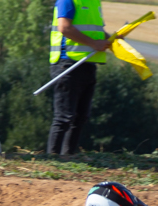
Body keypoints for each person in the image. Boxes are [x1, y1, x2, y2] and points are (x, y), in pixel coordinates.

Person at [47, 0, 111, 155]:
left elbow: (95, 32)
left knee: (80, 117)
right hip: (67, 64)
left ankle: (68, 156)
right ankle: (52, 159)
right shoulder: (68, 1)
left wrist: (111, 39)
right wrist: (94, 43)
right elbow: (65, 27)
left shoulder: (93, 3)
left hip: (87, 63)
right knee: (63, 118)